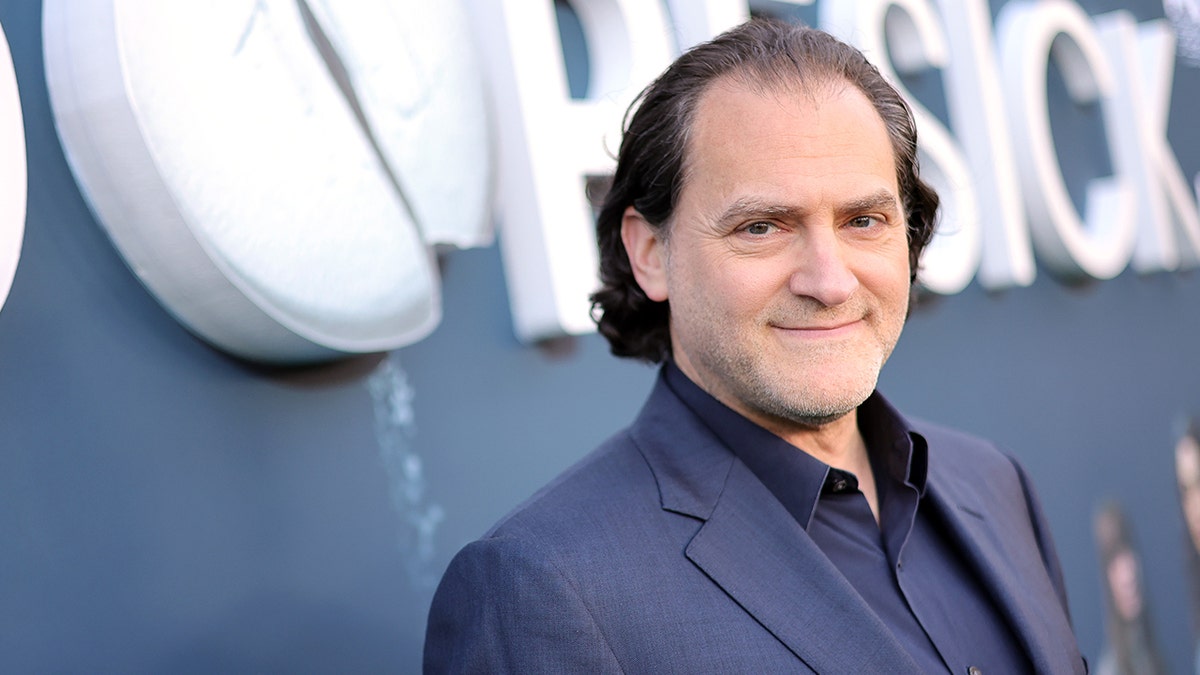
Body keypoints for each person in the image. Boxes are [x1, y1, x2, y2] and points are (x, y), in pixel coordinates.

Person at [425, 18, 1084, 674]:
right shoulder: (542, 589)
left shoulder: (994, 484)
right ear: (650, 252)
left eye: (863, 220)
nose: (828, 281)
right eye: (762, 227)